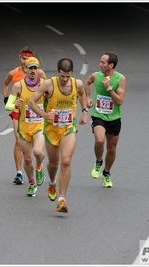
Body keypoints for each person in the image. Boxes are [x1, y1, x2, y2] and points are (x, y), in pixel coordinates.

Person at [28, 58, 89, 213]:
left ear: (71, 74)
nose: (64, 79)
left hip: (68, 128)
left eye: (68, 76)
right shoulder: (49, 84)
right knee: (53, 164)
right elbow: (31, 102)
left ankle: (62, 199)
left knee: (66, 161)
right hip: (51, 130)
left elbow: (82, 94)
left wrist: (84, 112)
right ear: (57, 71)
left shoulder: (77, 84)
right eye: (62, 76)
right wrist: (43, 114)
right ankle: (52, 181)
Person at [2, 46, 46, 185]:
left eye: (35, 68)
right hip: (20, 116)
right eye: (24, 59)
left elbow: (52, 94)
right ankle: (20, 173)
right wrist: (11, 102)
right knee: (19, 143)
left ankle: (38, 166)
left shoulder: (44, 81)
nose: (33, 71)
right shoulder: (16, 79)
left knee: (37, 151)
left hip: (38, 121)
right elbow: (6, 90)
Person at [85, 52, 126, 188]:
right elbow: (87, 82)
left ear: (111, 65)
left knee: (112, 149)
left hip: (114, 118)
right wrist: (88, 97)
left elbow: (120, 101)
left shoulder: (120, 79)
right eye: (100, 61)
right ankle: (98, 162)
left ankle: (106, 173)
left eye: (103, 62)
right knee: (100, 141)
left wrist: (109, 88)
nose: (100, 64)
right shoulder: (96, 76)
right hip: (98, 115)